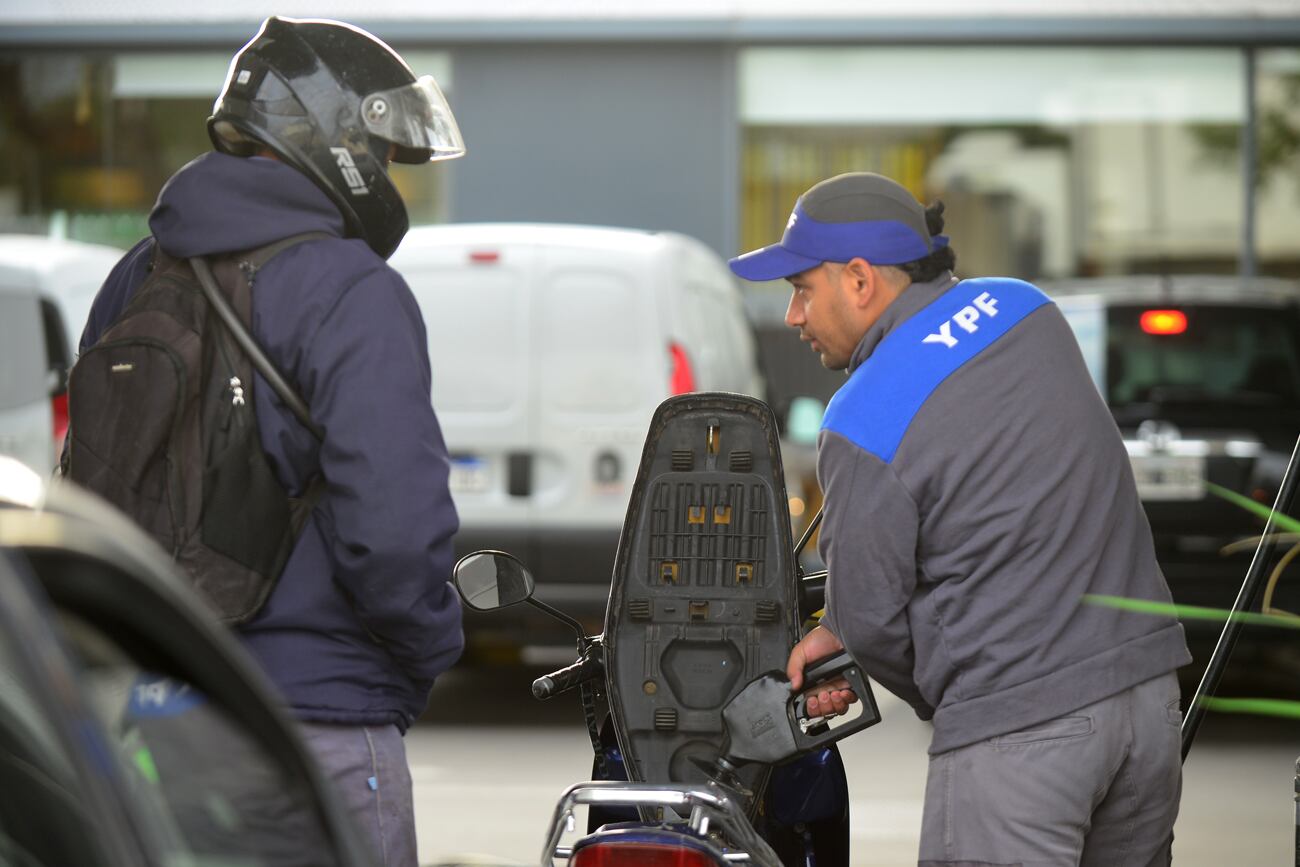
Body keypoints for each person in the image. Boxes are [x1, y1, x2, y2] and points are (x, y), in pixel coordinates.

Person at [72, 17, 465, 866]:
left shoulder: (137, 274)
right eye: (386, 151)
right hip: (316, 723)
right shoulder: (353, 290)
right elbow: (395, 533)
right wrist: (429, 652)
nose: (391, 173)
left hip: (157, 725)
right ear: (334, 136)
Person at [729, 172, 1192, 866]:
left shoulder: (861, 419)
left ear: (859, 280)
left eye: (801, 288)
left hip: (1020, 737)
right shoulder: (1025, 307)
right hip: (1147, 704)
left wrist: (954, 695)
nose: (794, 316)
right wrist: (843, 626)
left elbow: (877, 626)